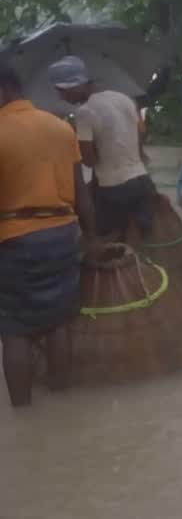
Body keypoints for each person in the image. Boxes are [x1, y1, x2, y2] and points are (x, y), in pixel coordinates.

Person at [0, 66, 95, 407]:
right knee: (59, 321)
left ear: (5, 89)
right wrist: (92, 240)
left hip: (14, 239)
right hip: (62, 234)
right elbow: (82, 194)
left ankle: (25, 415)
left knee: (13, 329)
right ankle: (63, 402)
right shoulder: (60, 127)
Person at [51, 55, 156, 242]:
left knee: (108, 240)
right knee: (135, 239)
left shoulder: (84, 112)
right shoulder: (124, 99)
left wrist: (76, 140)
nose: (62, 96)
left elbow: (89, 160)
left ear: (75, 86)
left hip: (113, 188)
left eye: (62, 90)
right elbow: (141, 134)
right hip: (142, 180)